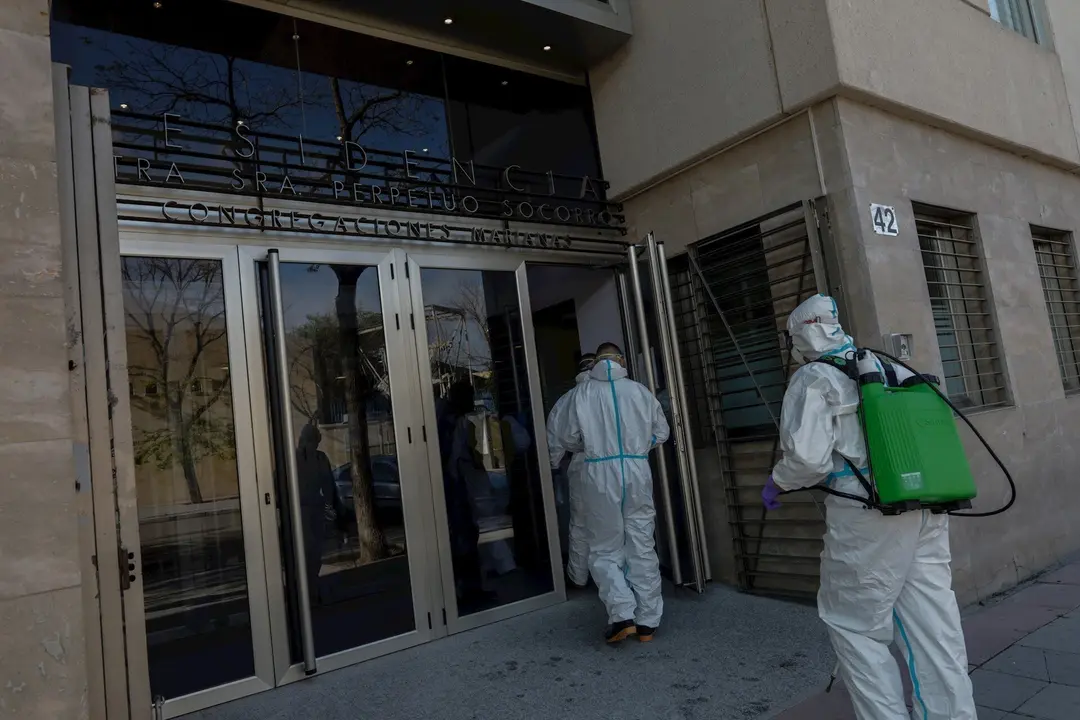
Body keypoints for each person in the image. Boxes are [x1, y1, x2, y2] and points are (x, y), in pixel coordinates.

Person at [765, 294, 976, 720]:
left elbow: (808, 459)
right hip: (927, 506)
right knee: (935, 627)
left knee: (856, 627)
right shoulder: (890, 367)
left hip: (868, 516)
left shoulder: (813, 377)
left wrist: (777, 482)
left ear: (803, 333)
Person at [550, 342, 669, 643]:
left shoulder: (581, 394)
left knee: (604, 547)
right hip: (637, 470)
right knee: (641, 542)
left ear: (595, 364)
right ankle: (648, 622)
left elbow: (566, 437)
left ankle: (622, 614)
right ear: (621, 360)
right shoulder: (640, 391)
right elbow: (662, 431)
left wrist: (592, 449)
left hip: (599, 472)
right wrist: (640, 447)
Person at [546, 352, 597, 588]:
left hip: (579, 464)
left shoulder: (567, 399)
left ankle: (579, 577)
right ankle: (616, 577)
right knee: (616, 523)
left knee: (580, 523)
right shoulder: (612, 393)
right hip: (616, 463)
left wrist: (554, 464)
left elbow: (554, 437)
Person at [296, 423, 336, 604]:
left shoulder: (320, 459)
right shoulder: (294, 459)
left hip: (315, 510)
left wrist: (332, 507)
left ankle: (312, 587)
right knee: (307, 550)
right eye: (310, 441)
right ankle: (306, 590)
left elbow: (329, 486)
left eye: (315, 442)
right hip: (300, 510)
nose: (313, 446)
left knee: (315, 553)